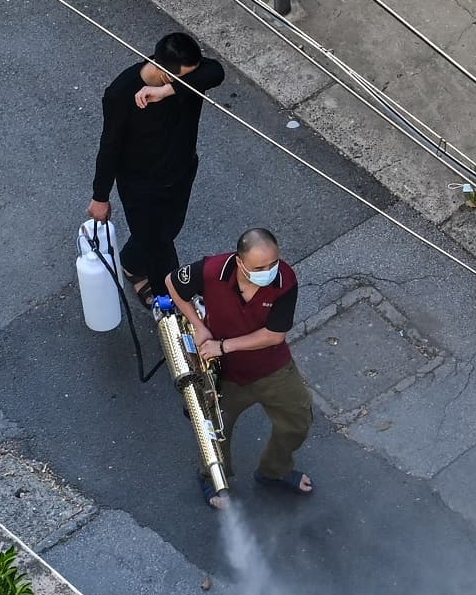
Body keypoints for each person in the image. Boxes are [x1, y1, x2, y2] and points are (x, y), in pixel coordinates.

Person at [165, 228, 315, 508]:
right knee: (213, 432)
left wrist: (222, 345)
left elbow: (274, 335)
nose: (269, 271)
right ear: (239, 262)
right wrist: (199, 328)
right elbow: (172, 283)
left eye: (273, 263)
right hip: (223, 374)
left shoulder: (285, 281)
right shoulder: (212, 271)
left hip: (272, 367)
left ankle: (276, 470)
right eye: (260, 267)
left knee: (298, 419)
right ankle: (213, 479)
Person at [88, 32, 225, 309]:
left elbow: (216, 72)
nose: (191, 80)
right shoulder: (121, 93)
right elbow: (110, 146)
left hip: (181, 171)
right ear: (163, 70)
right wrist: (100, 196)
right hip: (141, 185)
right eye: (184, 76)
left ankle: (130, 262)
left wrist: (168, 91)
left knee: (170, 228)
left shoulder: (182, 80)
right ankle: (174, 302)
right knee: (160, 247)